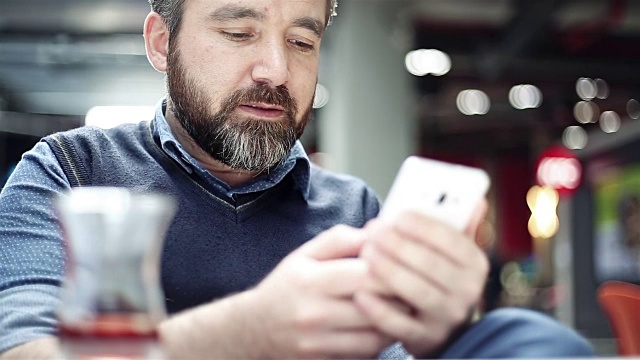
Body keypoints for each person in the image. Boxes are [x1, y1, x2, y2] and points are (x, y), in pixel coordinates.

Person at [0, 0, 595, 358]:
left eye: (303, 41)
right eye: (238, 33)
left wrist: (444, 332)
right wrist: (251, 333)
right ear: (162, 42)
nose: (277, 71)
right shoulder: (69, 172)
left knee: (533, 342)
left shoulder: (354, 209)